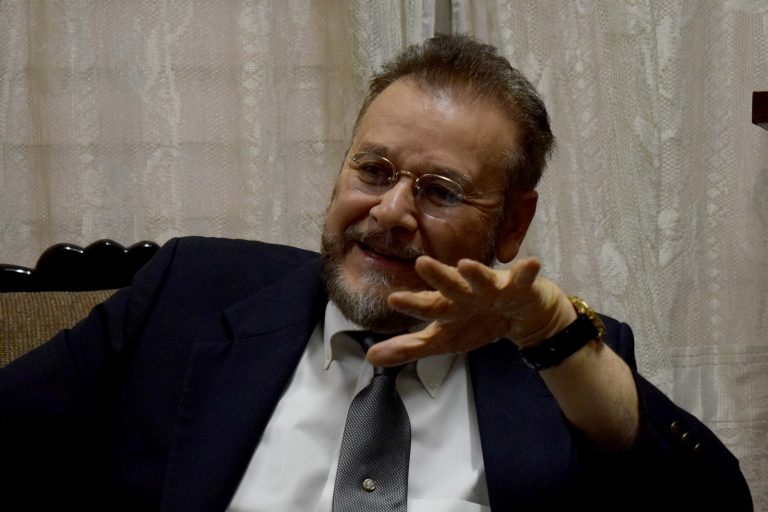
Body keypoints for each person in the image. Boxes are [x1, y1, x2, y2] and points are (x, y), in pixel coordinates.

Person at [0, 35, 752, 511]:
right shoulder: (190, 293)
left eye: (440, 191)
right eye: (374, 169)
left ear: (511, 224)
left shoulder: (561, 367)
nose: (391, 211)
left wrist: (555, 334)